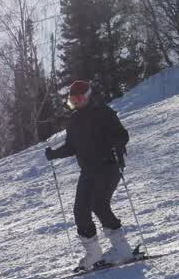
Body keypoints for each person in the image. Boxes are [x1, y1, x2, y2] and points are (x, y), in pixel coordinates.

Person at [45, 80, 133, 269]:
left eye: (78, 99)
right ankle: (93, 254)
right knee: (80, 210)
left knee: (99, 204)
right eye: (72, 100)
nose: (75, 103)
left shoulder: (104, 113)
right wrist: (54, 154)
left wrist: (112, 141)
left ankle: (123, 250)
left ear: (87, 96)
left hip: (108, 166)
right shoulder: (74, 120)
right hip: (88, 170)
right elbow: (71, 147)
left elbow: (122, 135)